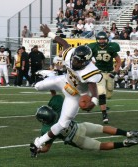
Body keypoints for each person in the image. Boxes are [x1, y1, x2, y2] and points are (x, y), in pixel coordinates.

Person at [32, 24, 102, 153]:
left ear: (86, 62)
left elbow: (93, 88)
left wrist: (93, 101)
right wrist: (49, 33)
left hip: (75, 95)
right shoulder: (70, 54)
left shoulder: (90, 71)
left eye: (78, 62)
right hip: (64, 81)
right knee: (37, 86)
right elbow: (63, 42)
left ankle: (39, 142)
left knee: (63, 124)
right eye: (75, 59)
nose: (75, 62)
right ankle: (51, 75)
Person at [30, 93, 138, 157]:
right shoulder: (57, 107)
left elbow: (46, 148)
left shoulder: (46, 129)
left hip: (76, 140)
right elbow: (55, 95)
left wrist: (37, 150)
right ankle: (127, 133)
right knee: (102, 128)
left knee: (100, 145)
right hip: (80, 127)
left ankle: (125, 143)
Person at [88, 31, 121, 124]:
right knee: (102, 93)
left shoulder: (111, 47)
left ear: (106, 39)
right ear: (97, 40)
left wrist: (115, 72)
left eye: (103, 39)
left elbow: (118, 61)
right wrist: (92, 65)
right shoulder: (93, 47)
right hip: (100, 73)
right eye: (100, 39)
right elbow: (87, 58)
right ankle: (104, 115)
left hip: (110, 72)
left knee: (109, 95)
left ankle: (98, 98)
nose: (102, 41)